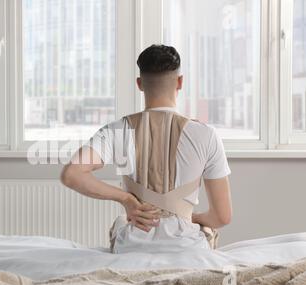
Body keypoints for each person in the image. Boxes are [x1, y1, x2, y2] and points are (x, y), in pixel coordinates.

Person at [60, 44, 233, 254]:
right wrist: (188, 218)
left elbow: (71, 174)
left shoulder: (117, 130)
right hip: (187, 248)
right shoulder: (206, 135)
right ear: (180, 82)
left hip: (132, 247)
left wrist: (126, 199)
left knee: (119, 224)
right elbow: (222, 217)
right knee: (209, 231)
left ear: (140, 84)